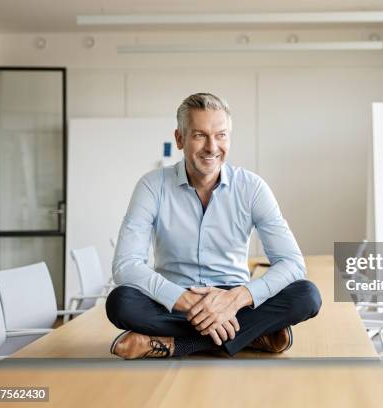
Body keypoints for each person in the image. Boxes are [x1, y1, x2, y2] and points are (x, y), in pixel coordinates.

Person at [106, 92, 322, 359]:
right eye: (200, 135)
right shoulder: (152, 186)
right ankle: (254, 335)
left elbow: (293, 263)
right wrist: (189, 302)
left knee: (306, 295)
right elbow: (125, 265)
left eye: (221, 135)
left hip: (236, 302)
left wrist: (234, 300)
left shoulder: (252, 188)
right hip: (175, 301)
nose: (212, 147)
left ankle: (176, 344)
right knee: (121, 302)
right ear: (180, 138)